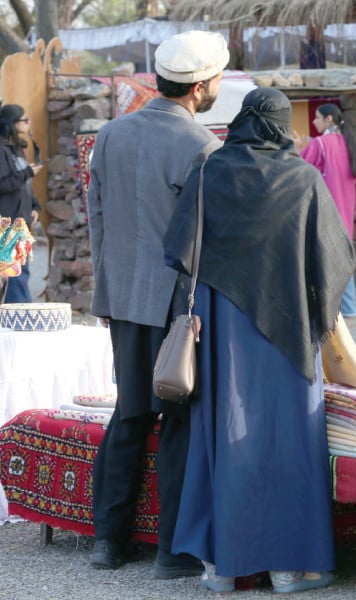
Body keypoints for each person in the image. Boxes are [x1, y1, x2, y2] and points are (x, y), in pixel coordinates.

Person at [164, 87, 353, 594]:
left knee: (223, 432)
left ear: (244, 120)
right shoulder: (302, 177)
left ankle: (220, 568)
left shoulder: (209, 171)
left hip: (220, 326)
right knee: (284, 438)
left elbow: (179, 249)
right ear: (280, 123)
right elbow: (335, 259)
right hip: (286, 329)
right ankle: (289, 569)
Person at [86, 30, 229, 577]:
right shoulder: (201, 146)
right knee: (177, 421)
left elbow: (98, 219)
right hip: (177, 305)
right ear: (199, 87)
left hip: (121, 298)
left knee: (129, 414)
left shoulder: (112, 135)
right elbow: (204, 238)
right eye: (216, 79)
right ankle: (172, 552)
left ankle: (108, 543)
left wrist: (104, 293)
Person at [294, 103, 356, 317]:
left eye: (317, 117)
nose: (314, 122)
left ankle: (328, 311)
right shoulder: (349, 143)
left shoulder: (321, 144)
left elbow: (300, 172)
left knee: (322, 263)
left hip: (325, 212)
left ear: (329, 119)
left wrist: (296, 150)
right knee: (344, 259)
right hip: (346, 210)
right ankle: (349, 308)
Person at [0, 104, 43, 303]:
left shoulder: (16, 150)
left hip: (19, 222)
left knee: (18, 272)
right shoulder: (1, 151)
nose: (29, 124)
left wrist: (35, 206)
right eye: (25, 120)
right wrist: (28, 172)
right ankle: (21, 323)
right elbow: (3, 184)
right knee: (16, 276)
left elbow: (23, 185)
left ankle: (17, 322)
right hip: (7, 224)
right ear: (12, 124)